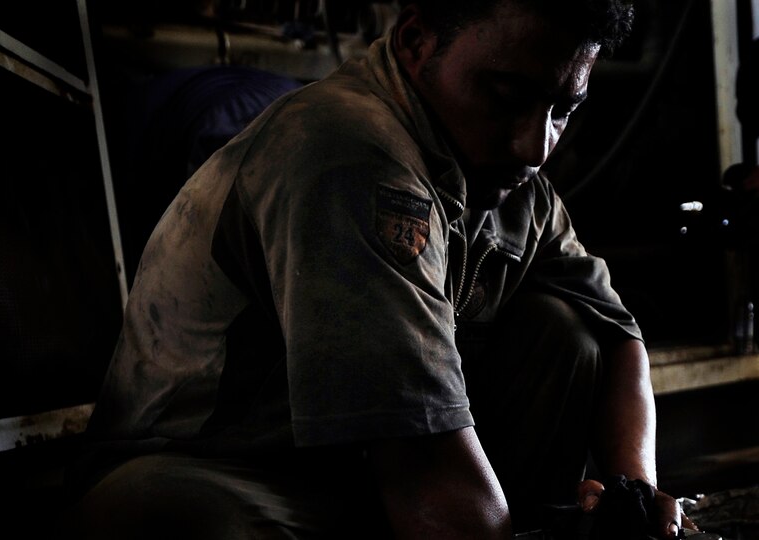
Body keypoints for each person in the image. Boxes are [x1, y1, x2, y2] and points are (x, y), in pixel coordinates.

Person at [60, 1, 700, 538]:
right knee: (172, 516)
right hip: (228, 468)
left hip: (364, 472)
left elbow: (616, 336)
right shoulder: (348, 153)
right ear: (418, 42)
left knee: (566, 331)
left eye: (562, 110)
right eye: (507, 95)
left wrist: (632, 496)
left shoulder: (509, 180)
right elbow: (422, 457)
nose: (535, 146)